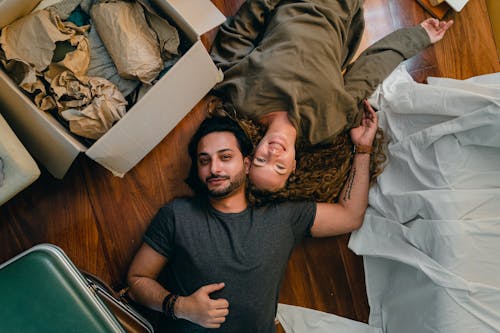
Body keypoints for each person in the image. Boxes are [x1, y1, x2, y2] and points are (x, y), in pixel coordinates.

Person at [126, 102, 378, 332]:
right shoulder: (178, 215)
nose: (214, 168)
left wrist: (363, 149)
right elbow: (137, 280)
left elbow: (350, 215)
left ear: (247, 164)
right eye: (205, 160)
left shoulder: (284, 215)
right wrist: (180, 306)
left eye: (225, 157)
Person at [210, 0, 453, 191]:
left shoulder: (241, 99)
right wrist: (418, 37)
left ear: (251, 156)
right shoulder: (326, 126)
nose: (273, 154)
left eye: (263, 161)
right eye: (280, 166)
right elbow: (367, 72)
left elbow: (239, 32)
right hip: (340, 8)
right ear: (294, 165)